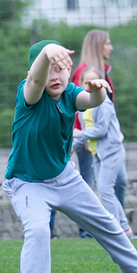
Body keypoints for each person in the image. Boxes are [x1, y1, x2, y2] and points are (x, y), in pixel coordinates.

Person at [2, 40, 137, 273]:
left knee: (105, 221)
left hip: (64, 178)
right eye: (49, 69)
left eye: (61, 69)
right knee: (39, 231)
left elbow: (90, 102)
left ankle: (136, 272)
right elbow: (36, 80)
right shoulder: (28, 93)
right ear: (36, 69)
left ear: (69, 71)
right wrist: (46, 54)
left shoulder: (69, 93)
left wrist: (98, 91)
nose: (55, 76)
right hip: (28, 184)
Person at [51, 29, 120, 239]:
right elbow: (79, 105)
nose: (111, 47)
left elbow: (103, 106)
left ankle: (116, 228)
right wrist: (77, 137)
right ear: (98, 46)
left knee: (115, 184)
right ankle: (88, 230)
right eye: (107, 43)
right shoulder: (83, 72)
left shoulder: (102, 71)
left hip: (101, 140)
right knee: (81, 184)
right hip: (84, 138)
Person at [73, 67, 135, 239]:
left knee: (105, 190)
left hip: (112, 152)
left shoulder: (104, 103)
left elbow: (101, 130)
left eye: (94, 83)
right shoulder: (82, 107)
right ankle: (125, 229)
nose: (90, 86)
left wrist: (79, 135)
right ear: (81, 84)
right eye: (86, 83)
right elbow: (84, 133)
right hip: (98, 154)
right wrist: (72, 145)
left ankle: (115, 231)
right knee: (107, 191)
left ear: (101, 85)